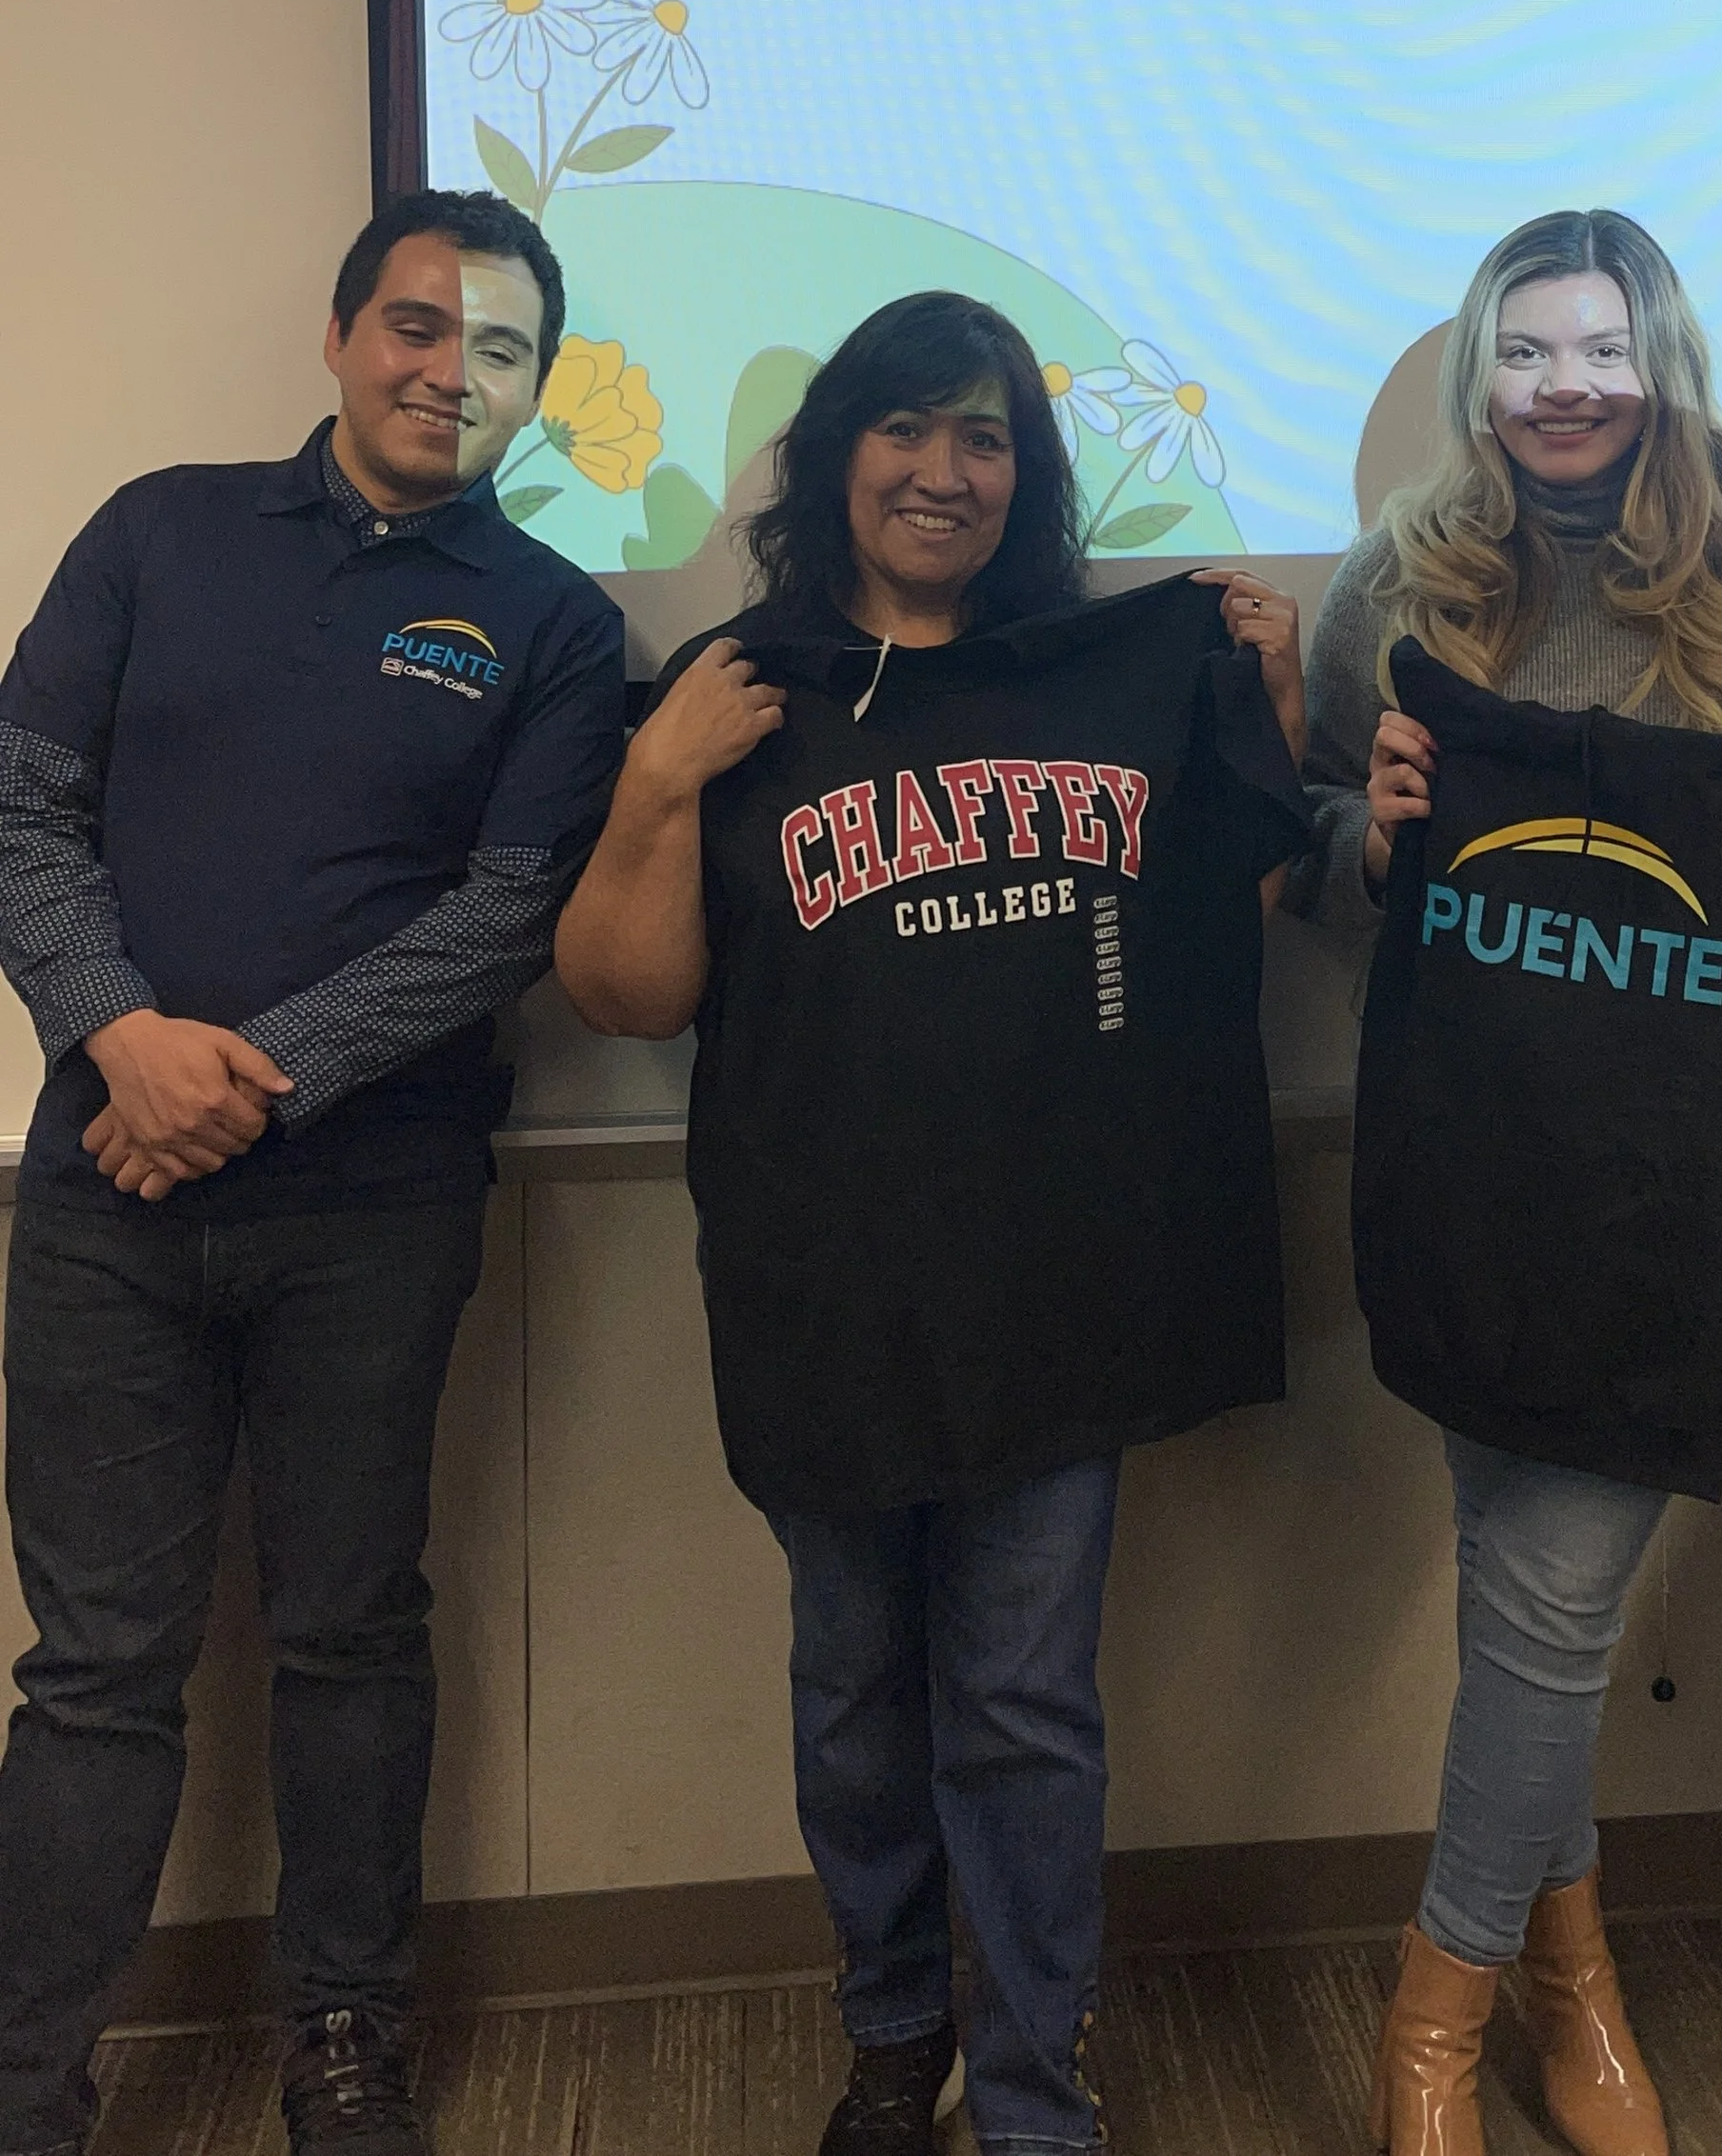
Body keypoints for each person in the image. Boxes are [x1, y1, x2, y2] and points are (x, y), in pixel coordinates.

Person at [553, 289, 1310, 2156]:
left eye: (984, 438)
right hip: (824, 1286)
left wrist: (1269, 697)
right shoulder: (742, 685)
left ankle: (1039, 2081)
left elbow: (1249, 901)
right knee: (853, 1696)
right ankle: (894, 2033)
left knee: (1024, 1701)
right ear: (838, 453)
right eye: (907, 428)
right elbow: (628, 994)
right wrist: (655, 778)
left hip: (1060, 1288)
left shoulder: (1093, 662)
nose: (942, 470)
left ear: (1022, 476)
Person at [0, 190, 625, 2156]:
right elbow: (24, 806)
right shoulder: (158, 527)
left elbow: (505, 916)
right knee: (97, 1666)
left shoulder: (556, 619)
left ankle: (344, 2034)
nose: (455, 371)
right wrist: (121, 1035)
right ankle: (30, 2070)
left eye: (503, 348)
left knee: (352, 1628)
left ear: (537, 387)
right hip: (106, 1196)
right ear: (344, 334)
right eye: (422, 327)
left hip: (376, 1205)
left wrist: (245, 1081)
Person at [1291, 206, 1722, 2156]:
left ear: (1660, 369)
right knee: (1520, 1599)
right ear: (1481, 369)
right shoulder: (1393, 585)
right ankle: (1575, 1977)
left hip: (1689, 1132)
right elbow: (1305, 830)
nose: (1563, 387)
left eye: (1599, 350)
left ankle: (1427, 2010)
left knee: (1551, 1597)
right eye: (1526, 351)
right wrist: (1370, 839)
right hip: (1464, 1125)